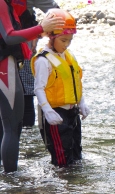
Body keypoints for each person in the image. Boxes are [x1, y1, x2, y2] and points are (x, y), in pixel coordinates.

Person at [0, 0, 63, 172]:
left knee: (5, 125)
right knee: (13, 126)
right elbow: (9, 36)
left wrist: (38, 32)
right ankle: (12, 182)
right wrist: (41, 28)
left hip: (7, 66)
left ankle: (6, 182)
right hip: (4, 68)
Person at [31, 8, 90, 167]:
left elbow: (76, 81)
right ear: (51, 36)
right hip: (55, 114)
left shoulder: (69, 56)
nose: (66, 44)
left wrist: (82, 103)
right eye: (63, 40)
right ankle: (60, 189)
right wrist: (48, 111)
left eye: (69, 40)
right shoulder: (44, 61)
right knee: (62, 162)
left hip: (73, 112)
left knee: (77, 158)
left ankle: (74, 189)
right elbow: (39, 89)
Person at [18, 0, 60, 127]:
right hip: (24, 42)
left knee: (26, 94)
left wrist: (39, 31)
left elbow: (56, 13)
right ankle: (27, 139)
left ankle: (27, 138)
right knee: (26, 94)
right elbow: (57, 12)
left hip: (24, 45)